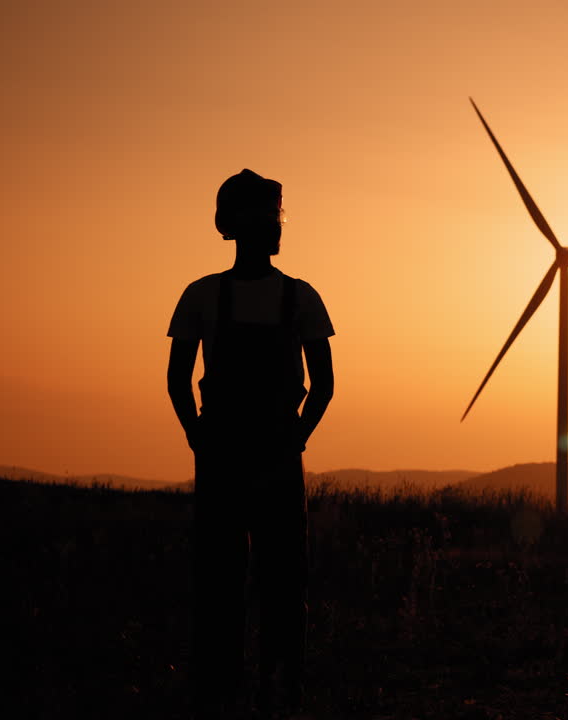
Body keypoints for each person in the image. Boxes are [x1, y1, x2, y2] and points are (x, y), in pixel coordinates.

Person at [167, 169, 334, 718]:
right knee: (224, 579)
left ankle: (276, 687)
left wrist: (293, 440)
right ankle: (226, 689)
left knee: (281, 580)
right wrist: (199, 437)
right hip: (231, 455)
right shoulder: (203, 295)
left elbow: (326, 384)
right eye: (265, 214)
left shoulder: (299, 296)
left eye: (277, 214)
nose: (275, 224)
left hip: (264, 455)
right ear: (233, 224)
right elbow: (176, 378)